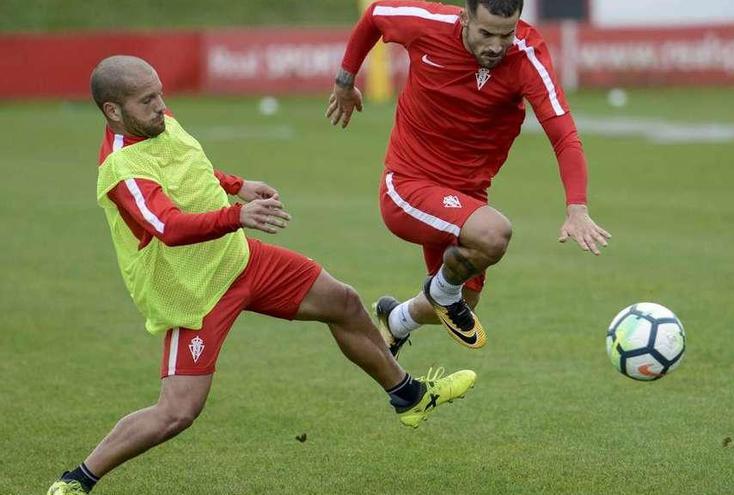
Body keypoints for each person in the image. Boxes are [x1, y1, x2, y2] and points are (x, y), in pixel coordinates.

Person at [47, 55, 476, 495]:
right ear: (113, 112)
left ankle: (409, 397)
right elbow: (170, 227)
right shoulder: (121, 171)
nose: (161, 106)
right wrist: (238, 214)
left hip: (239, 259)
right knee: (177, 412)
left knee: (343, 302)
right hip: (195, 294)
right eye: (147, 100)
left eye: (160, 93)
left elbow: (186, 167)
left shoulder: (155, 122)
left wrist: (236, 184)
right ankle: (77, 480)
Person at [326, 0, 611, 355]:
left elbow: (564, 134)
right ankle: (443, 292)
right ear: (465, 18)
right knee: (494, 234)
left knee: (465, 302)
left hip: (466, 198)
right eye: (486, 32)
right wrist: (344, 81)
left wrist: (577, 207)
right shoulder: (427, 23)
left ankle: (395, 321)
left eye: (506, 34)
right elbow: (373, 17)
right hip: (407, 186)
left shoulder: (526, 55)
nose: (495, 45)